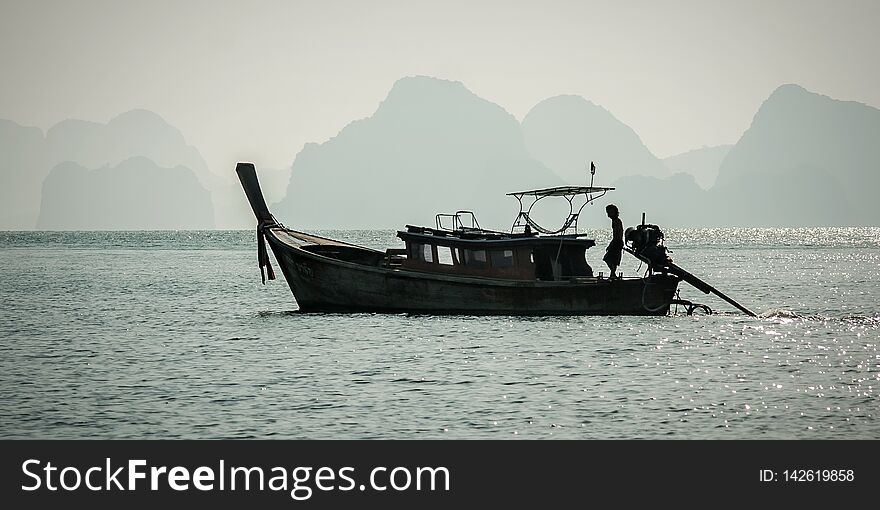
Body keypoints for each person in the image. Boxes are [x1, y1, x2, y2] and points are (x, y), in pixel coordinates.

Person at [603, 204, 623, 278]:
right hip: (617, 242)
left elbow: (618, 234)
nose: (609, 214)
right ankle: (613, 274)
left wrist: (611, 245)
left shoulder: (617, 221)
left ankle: (613, 274)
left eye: (611, 212)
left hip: (617, 242)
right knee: (611, 259)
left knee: (610, 259)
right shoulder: (614, 221)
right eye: (608, 213)